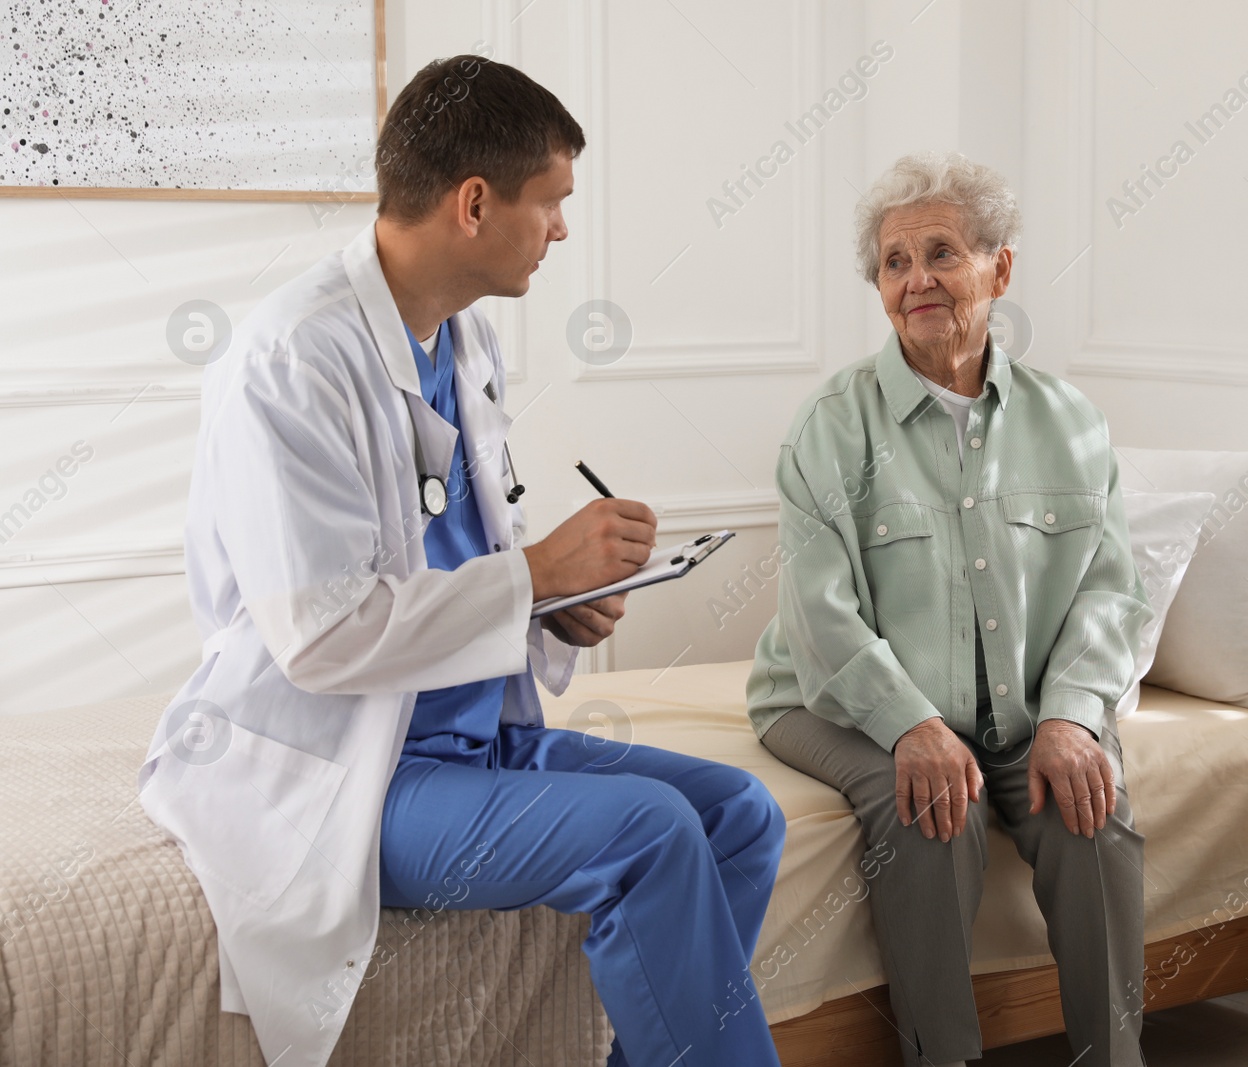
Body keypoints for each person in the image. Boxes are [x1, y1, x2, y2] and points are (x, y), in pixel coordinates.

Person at [138, 56, 785, 1067]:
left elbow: (455, 557)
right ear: (474, 203)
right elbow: (319, 634)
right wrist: (534, 575)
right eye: (552, 203)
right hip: (346, 771)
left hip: (468, 741)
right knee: (655, 831)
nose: (562, 231)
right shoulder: (292, 359)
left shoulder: (462, 337)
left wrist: (560, 601)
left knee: (738, 812)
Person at [747, 151, 1152, 1067]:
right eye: (895, 262)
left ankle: (1114, 1056)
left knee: (1095, 808)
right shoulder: (830, 427)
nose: (917, 279)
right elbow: (821, 619)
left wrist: (1072, 717)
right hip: (829, 699)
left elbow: (1109, 590)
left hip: (1025, 710)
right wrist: (913, 726)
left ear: (998, 269)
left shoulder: (1072, 422)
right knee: (933, 812)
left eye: (941, 252)